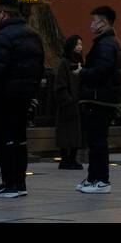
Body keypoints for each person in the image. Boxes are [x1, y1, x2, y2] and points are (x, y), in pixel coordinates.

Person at [0, 0, 44, 198]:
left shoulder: (3, 37)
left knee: (4, 140)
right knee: (20, 140)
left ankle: (8, 182)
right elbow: (39, 69)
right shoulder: (33, 35)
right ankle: (19, 183)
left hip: (5, 97)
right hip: (25, 96)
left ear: (3, 13)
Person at [76, 5, 121, 195]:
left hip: (99, 99)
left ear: (104, 23)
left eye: (95, 20)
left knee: (97, 141)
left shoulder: (106, 44)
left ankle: (101, 179)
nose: (92, 24)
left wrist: (83, 72)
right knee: (96, 140)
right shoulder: (112, 42)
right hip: (105, 98)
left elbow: (101, 71)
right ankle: (93, 177)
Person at [53, 36, 83, 171]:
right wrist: (67, 100)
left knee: (76, 133)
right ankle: (65, 159)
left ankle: (73, 158)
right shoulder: (64, 63)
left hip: (78, 103)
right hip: (68, 104)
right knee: (66, 132)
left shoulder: (81, 62)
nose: (80, 47)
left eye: (81, 44)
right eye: (77, 44)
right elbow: (60, 84)